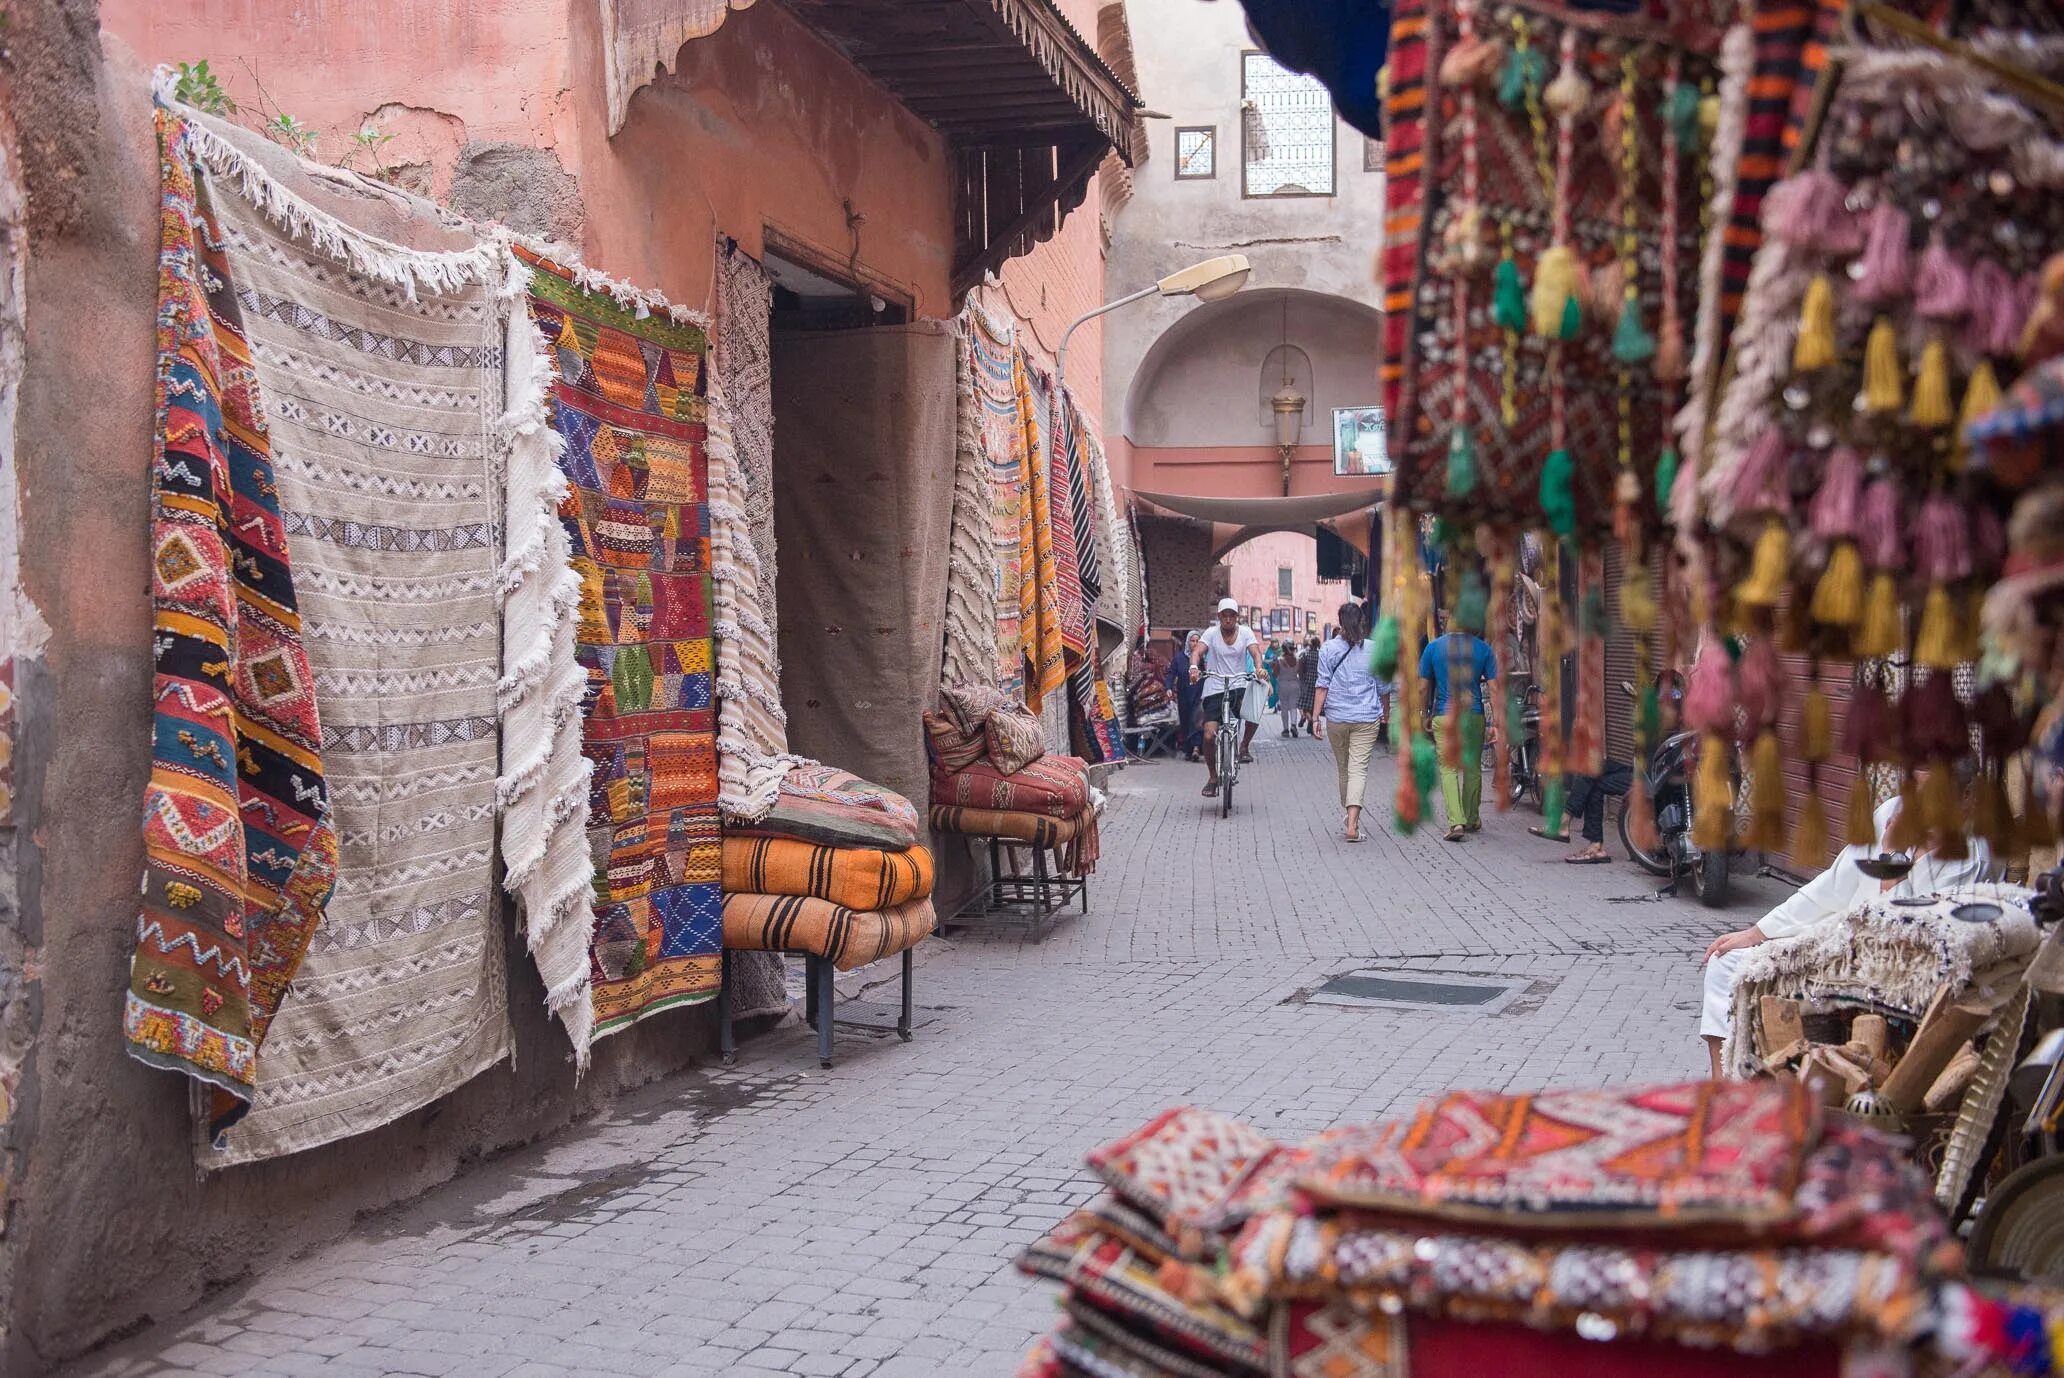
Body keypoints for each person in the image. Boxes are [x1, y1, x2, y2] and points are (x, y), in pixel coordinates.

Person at [1698, 786, 2003, 1078]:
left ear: (1966, 798)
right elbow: (1833, 884)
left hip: (1891, 962)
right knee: (1726, 961)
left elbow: (1907, 930)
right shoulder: (1890, 812)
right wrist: (1758, 931)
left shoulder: (1972, 855)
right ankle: (1720, 1085)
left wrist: (1891, 859)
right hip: (1839, 938)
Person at [1419, 614, 1497, 842]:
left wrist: (1423, 713)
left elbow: (1423, 688)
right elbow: (1494, 689)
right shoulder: (1483, 649)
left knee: (1448, 768)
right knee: (1472, 767)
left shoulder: (1433, 648)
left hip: (1445, 715)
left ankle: (1456, 822)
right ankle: (1472, 818)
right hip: (1473, 715)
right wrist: (1497, 723)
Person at [1314, 602, 1385, 843]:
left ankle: (1350, 818)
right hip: (1366, 717)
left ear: (1340, 622)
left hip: (1336, 717)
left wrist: (1314, 717)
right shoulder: (1375, 649)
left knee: (1344, 769)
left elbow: (1322, 685)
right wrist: (1386, 710)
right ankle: (1352, 824)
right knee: (1358, 769)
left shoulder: (1328, 649)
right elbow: (1384, 684)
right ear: (1363, 622)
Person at [1190, 597, 1261, 797]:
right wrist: (1194, 667)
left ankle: (1243, 746)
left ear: (1237, 617)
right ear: (1219, 617)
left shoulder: (1245, 632)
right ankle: (1213, 777)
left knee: (1254, 714)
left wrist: (1259, 669)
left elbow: (1256, 654)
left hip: (1238, 685)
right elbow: (1197, 652)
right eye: (1225, 616)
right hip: (1215, 687)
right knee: (1208, 735)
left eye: (1232, 616)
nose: (1228, 619)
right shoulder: (1211, 633)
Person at [1532, 761, 1633, 862]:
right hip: (1639, 771)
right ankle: (1595, 846)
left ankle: (1564, 823)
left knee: (1593, 780)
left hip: (1645, 780)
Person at [1170, 630, 1204, 761]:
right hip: (1184, 695)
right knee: (1185, 721)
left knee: (1197, 720)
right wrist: (1168, 687)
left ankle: (1196, 747)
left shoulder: (1203, 659)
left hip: (1199, 695)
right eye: (1192, 641)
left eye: (1197, 641)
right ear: (1188, 642)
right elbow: (1171, 673)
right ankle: (1189, 749)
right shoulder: (1179, 658)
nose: (1195, 644)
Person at [1275, 640, 1304, 736]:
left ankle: (1286, 729)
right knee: (1293, 707)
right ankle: (1293, 725)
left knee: (1284, 708)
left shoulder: (1279, 660)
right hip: (1295, 684)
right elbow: (1300, 673)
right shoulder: (1297, 659)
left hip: (1283, 685)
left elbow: (1275, 674)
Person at [1298, 636, 1320, 733]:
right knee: (1313, 704)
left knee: (1304, 705)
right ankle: (1312, 721)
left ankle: (1310, 719)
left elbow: (1300, 669)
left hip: (1306, 682)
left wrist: (1301, 679)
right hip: (1317, 682)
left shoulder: (1305, 655)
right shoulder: (1320, 655)